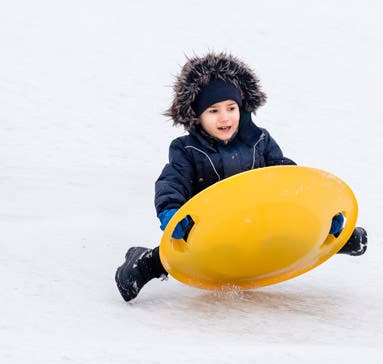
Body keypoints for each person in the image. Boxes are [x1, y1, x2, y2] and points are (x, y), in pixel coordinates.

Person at [115, 52, 368, 302]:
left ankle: (336, 239)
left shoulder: (260, 140)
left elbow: (288, 179)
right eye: (213, 111)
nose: (225, 117)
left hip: (259, 221)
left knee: (285, 230)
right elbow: (172, 181)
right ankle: (144, 263)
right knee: (187, 250)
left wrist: (321, 216)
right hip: (209, 229)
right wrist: (172, 213)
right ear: (197, 116)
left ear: (241, 108)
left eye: (231, 108)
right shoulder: (186, 150)